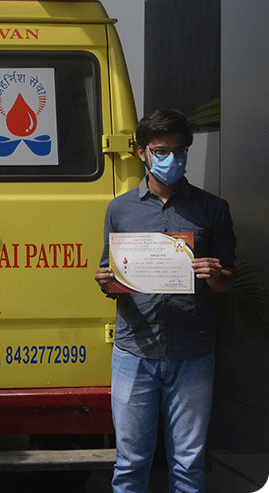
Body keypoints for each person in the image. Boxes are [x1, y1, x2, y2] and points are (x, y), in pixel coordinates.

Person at [94, 109, 236, 493]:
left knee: (189, 465)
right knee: (130, 464)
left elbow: (226, 282)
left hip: (192, 353)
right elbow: (110, 274)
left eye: (180, 151)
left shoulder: (212, 209)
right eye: (161, 151)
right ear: (141, 152)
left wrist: (216, 274)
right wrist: (105, 281)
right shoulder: (120, 209)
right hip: (134, 351)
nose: (172, 159)